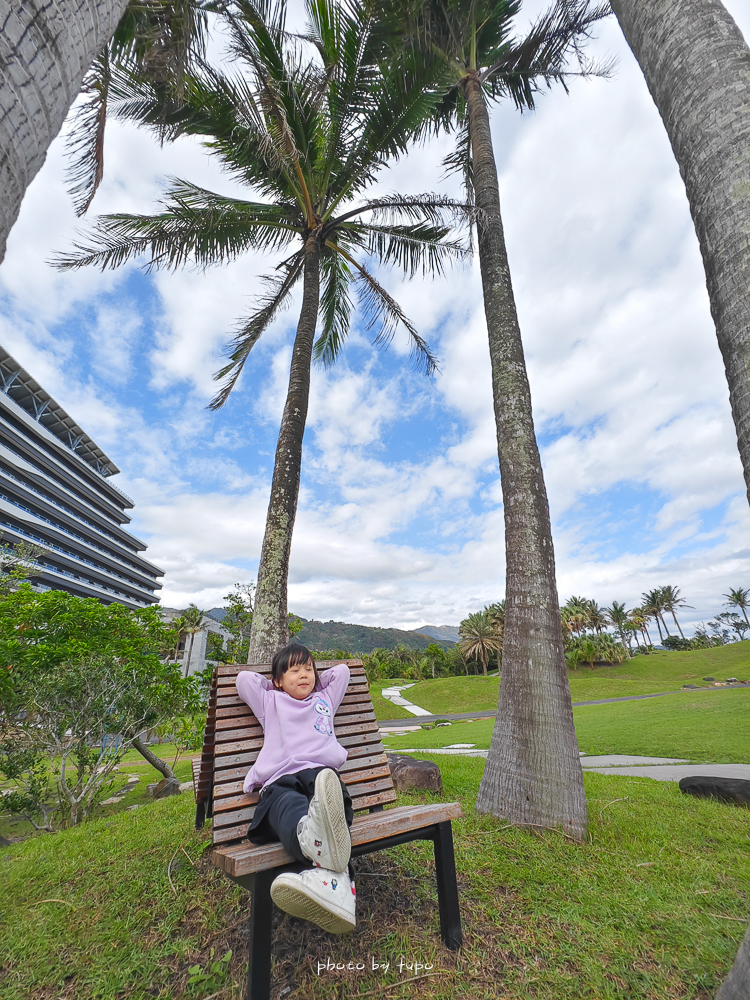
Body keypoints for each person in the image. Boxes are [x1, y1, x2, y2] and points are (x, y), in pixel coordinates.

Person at [235, 643, 356, 933]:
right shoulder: (271, 702)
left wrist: (314, 681)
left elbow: (341, 672)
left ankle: (323, 870)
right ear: (278, 680)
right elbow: (244, 680)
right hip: (281, 779)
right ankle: (333, 878)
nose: (304, 675)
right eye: (294, 670)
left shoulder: (325, 698)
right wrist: (274, 683)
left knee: (330, 806)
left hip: (322, 777)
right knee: (290, 807)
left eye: (309, 669)